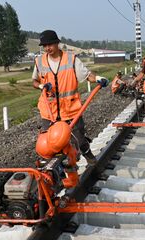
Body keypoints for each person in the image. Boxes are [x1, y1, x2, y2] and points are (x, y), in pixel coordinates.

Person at [32, 30, 108, 164]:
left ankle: (88, 156)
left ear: (57, 43)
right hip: (49, 111)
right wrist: (41, 86)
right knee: (48, 143)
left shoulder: (71, 60)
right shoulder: (39, 61)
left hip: (71, 110)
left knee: (79, 138)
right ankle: (54, 172)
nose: (47, 48)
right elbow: (34, 81)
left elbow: (86, 75)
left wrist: (97, 78)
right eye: (44, 46)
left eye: (50, 44)